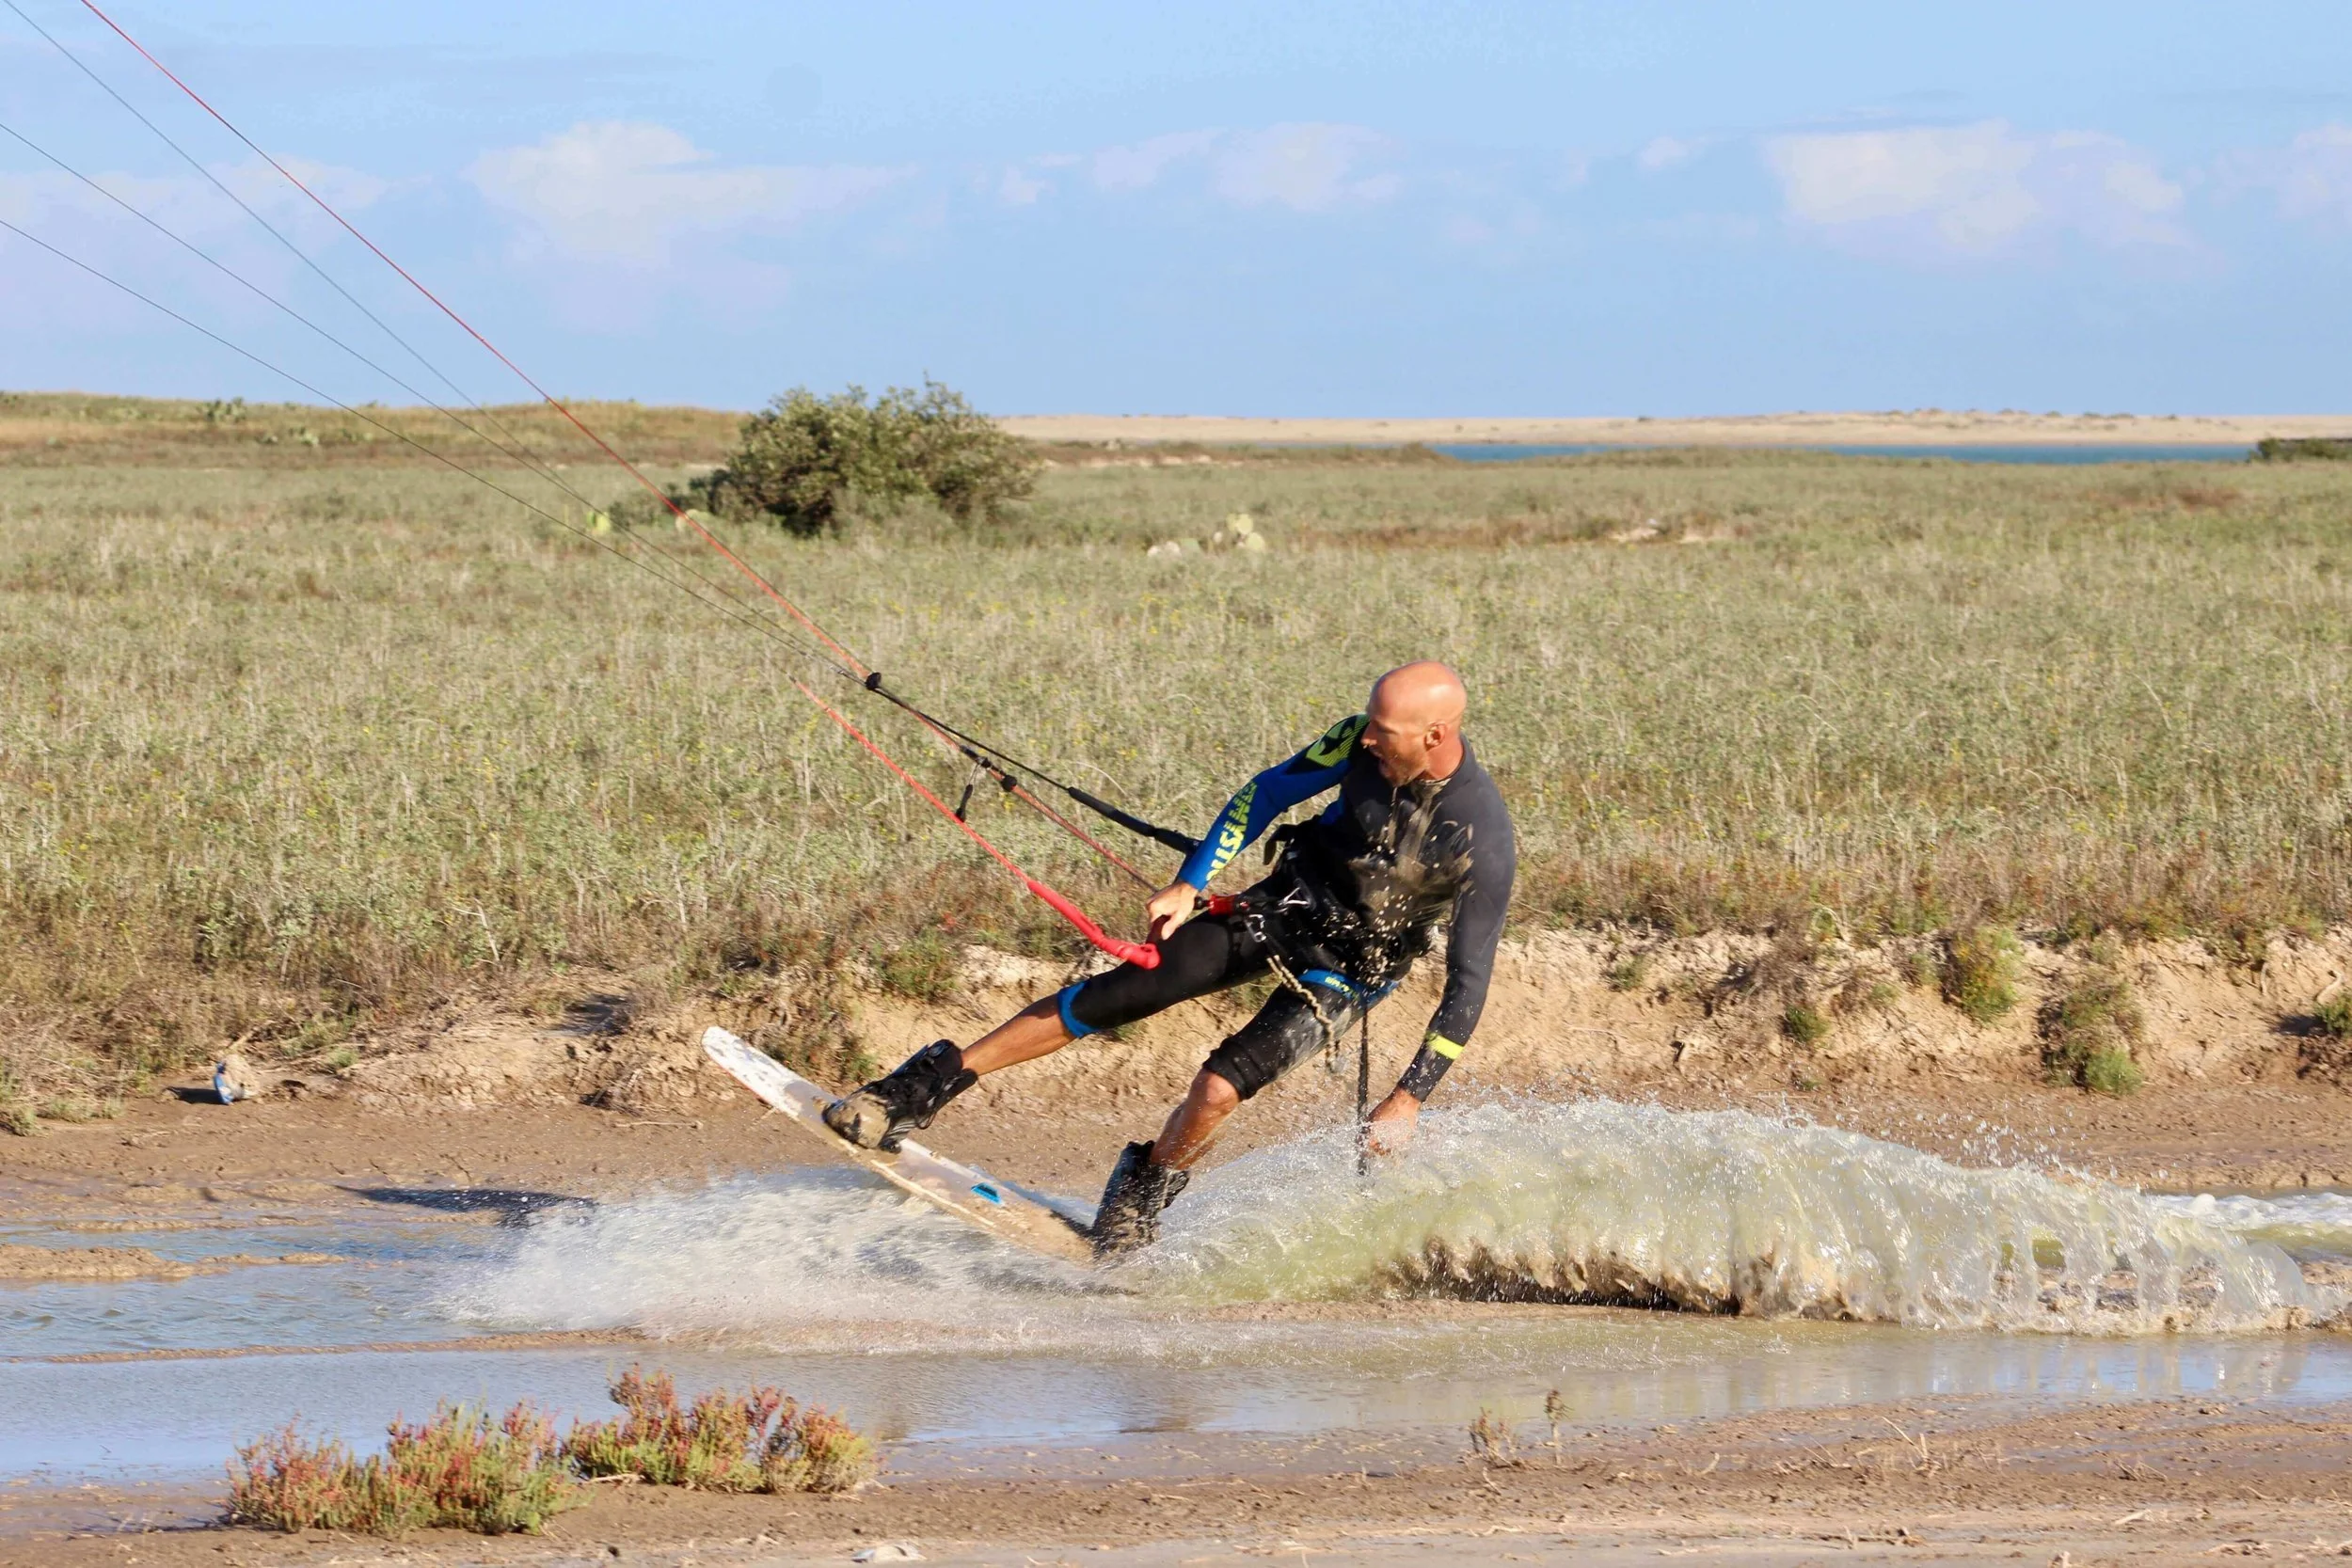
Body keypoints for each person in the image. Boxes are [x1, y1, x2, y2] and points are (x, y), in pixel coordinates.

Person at [823, 660, 1517, 1256]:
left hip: (1352, 970)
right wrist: (1190, 883)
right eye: (1368, 721)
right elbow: (1265, 794)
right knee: (1125, 990)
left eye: (1382, 730)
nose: (1366, 736)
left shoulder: (1481, 839)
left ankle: (1139, 1199)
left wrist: (1408, 1097)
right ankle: (919, 1091)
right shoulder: (1357, 742)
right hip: (1285, 908)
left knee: (1219, 1088)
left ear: (1435, 735)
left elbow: (1469, 984)